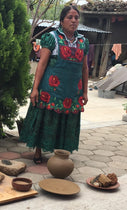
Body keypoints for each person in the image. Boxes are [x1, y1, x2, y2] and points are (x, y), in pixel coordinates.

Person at [20, 5, 89, 164]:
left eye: (76, 18)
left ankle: (61, 153)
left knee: (67, 120)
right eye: (69, 17)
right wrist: (35, 88)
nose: (73, 21)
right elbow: (42, 64)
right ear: (62, 20)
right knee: (46, 118)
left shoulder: (83, 42)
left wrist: (85, 92)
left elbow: (85, 69)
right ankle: (38, 151)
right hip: (50, 89)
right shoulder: (51, 38)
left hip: (72, 91)